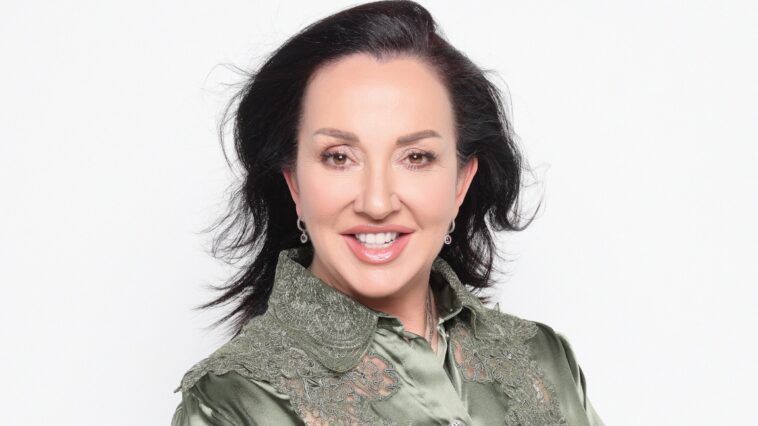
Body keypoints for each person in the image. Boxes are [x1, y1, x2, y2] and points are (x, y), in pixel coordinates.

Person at [171, 1, 604, 425]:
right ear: (294, 183)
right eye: (339, 157)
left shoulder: (542, 359)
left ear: (461, 182)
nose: (377, 203)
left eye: (416, 157)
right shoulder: (230, 402)